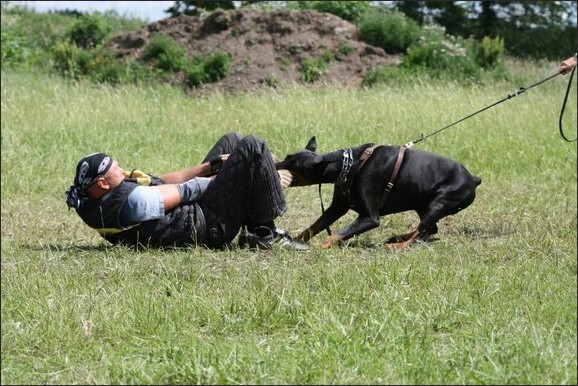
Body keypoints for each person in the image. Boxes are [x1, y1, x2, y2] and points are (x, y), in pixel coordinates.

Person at [65, 132, 308, 251]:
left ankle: (255, 227)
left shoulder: (95, 200)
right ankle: (264, 235)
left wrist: (212, 165)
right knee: (253, 146)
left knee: (232, 140)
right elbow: (189, 189)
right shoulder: (134, 201)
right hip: (207, 228)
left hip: (195, 216)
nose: (122, 169)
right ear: (103, 184)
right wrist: (238, 175)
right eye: (116, 169)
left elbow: (163, 181)